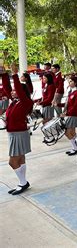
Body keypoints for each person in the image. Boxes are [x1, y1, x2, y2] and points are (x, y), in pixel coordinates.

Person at [3, 65, 34, 195]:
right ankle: (23, 183)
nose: (12, 92)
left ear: (21, 92)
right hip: (13, 133)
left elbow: (19, 92)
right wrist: (4, 74)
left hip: (19, 134)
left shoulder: (26, 102)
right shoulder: (15, 101)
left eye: (15, 90)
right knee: (20, 159)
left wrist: (15, 75)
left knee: (13, 161)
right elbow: (6, 88)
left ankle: (22, 182)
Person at [61, 77, 77, 156]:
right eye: (69, 81)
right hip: (71, 114)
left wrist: (66, 113)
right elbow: (68, 104)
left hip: (74, 114)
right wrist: (59, 105)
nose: (69, 83)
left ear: (75, 83)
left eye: (71, 81)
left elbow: (75, 106)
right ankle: (76, 147)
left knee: (67, 132)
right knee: (72, 132)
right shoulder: (71, 92)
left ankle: (76, 148)